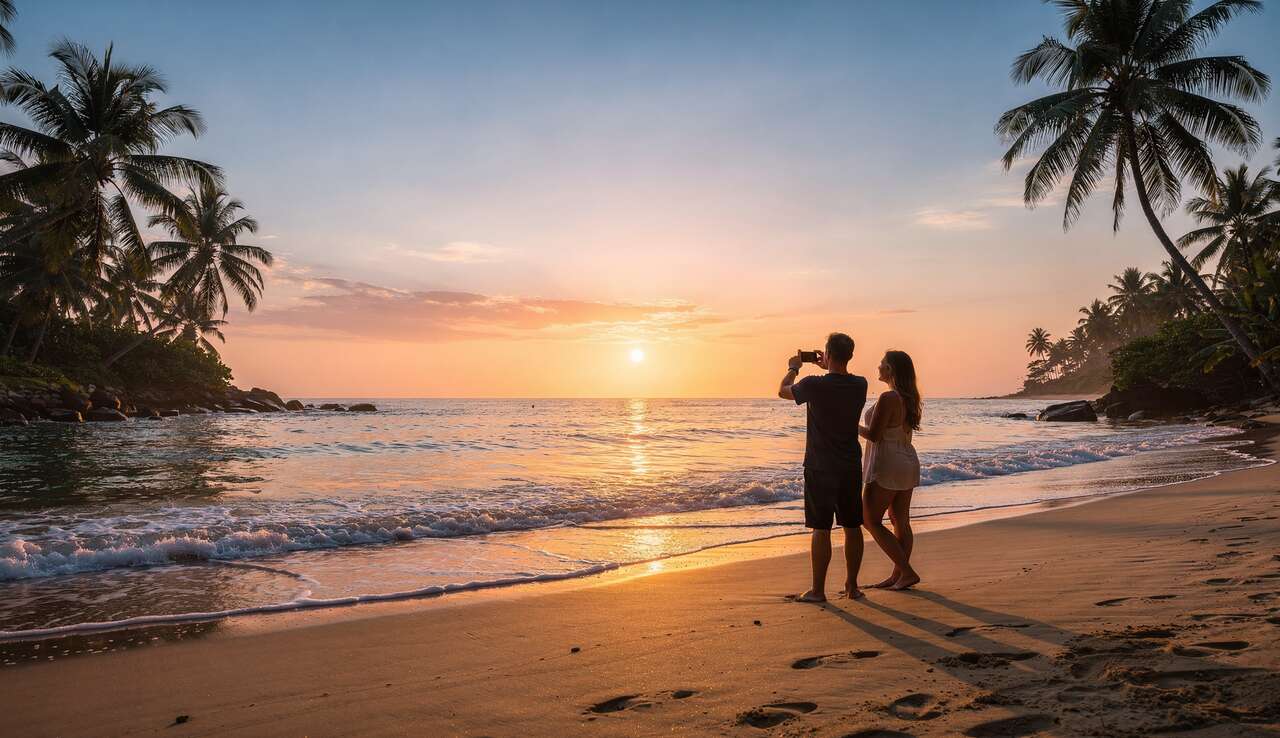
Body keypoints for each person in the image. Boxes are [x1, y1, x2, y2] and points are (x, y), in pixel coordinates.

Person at [778, 333, 868, 602]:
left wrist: (794, 368)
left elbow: (782, 391)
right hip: (850, 464)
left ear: (827, 354)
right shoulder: (860, 384)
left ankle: (818, 590)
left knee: (821, 527)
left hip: (820, 465)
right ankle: (852, 587)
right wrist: (827, 366)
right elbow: (839, 381)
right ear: (850, 355)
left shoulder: (813, 385)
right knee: (852, 525)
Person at [860, 350, 923, 591]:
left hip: (889, 463)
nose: (878, 366)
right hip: (907, 459)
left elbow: (875, 435)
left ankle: (906, 571)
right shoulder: (909, 397)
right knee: (900, 521)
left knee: (870, 519)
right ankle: (899, 575)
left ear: (891, 370)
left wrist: (849, 425)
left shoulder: (889, 397)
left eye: (882, 363)